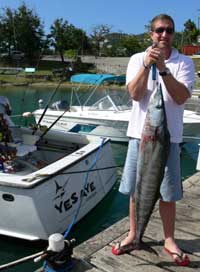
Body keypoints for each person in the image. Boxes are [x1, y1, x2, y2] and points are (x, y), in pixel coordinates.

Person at [112, 14, 194, 267]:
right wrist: (147, 65)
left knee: (168, 194)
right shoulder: (137, 59)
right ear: (151, 34)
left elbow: (180, 98)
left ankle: (169, 239)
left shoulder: (185, 62)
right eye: (159, 30)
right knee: (137, 191)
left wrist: (163, 70)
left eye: (169, 30)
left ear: (173, 34)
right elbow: (135, 95)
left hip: (169, 140)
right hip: (140, 136)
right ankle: (134, 235)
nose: (164, 35)